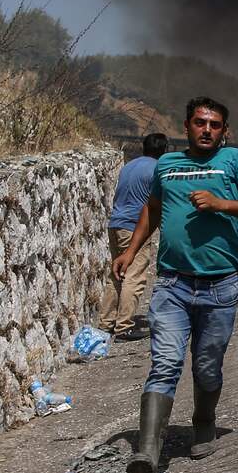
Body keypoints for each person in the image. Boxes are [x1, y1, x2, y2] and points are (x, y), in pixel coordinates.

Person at [112, 96, 238, 473]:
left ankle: (204, 422)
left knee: (207, 366)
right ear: (186, 126)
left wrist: (221, 204)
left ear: (224, 130)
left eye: (215, 124)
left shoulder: (236, 161)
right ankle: (146, 453)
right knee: (164, 363)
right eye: (200, 122)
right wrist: (130, 251)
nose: (207, 130)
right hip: (172, 284)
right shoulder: (166, 165)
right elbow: (152, 207)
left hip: (220, 286)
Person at [100, 132, 169, 341]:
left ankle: (106, 323)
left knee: (117, 274)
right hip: (133, 227)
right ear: (164, 151)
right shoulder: (157, 170)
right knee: (134, 276)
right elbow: (158, 203)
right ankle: (124, 327)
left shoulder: (128, 166)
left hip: (115, 224)